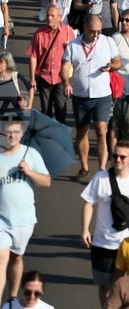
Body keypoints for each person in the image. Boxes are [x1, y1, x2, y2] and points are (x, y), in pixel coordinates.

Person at [80, 138, 129, 306]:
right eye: (115, 156)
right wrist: (85, 229)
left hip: (127, 244)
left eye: (122, 157)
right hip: (102, 243)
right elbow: (89, 203)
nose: (118, 160)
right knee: (104, 286)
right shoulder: (101, 177)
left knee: (127, 286)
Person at [61, 14, 121, 183]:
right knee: (82, 131)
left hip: (102, 94)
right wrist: (66, 82)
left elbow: (118, 62)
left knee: (102, 129)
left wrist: (111, 67)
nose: (96, 35)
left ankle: (102, 169)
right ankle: (84, 167)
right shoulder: (73, 45)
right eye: (93, 31)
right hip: (81, 95)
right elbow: (65, 66)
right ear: (85, 28)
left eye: (99, 31)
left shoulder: (107, 41)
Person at [0, 120, 51, 305]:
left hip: (24, 219)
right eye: (8, 132)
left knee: (16, 257)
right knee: (1, 258)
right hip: (1, 219)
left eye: (15, 132)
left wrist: (29, 172)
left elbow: (46, 182)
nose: (11, 136)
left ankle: (13, 297)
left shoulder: (31, 154)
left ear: (22, 133)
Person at [26, 5, 76, 124]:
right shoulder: (39, 33)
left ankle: (61, 137)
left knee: (60, 108)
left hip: (61, 78)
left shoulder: (68, 32)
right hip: (44, 77)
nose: (49, 18)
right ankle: (47, 138)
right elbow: (33, 56)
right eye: (48, 15)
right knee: (45, 112)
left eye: (52, 15)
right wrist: (32, 78)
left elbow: (76, 55)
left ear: (59, 17)